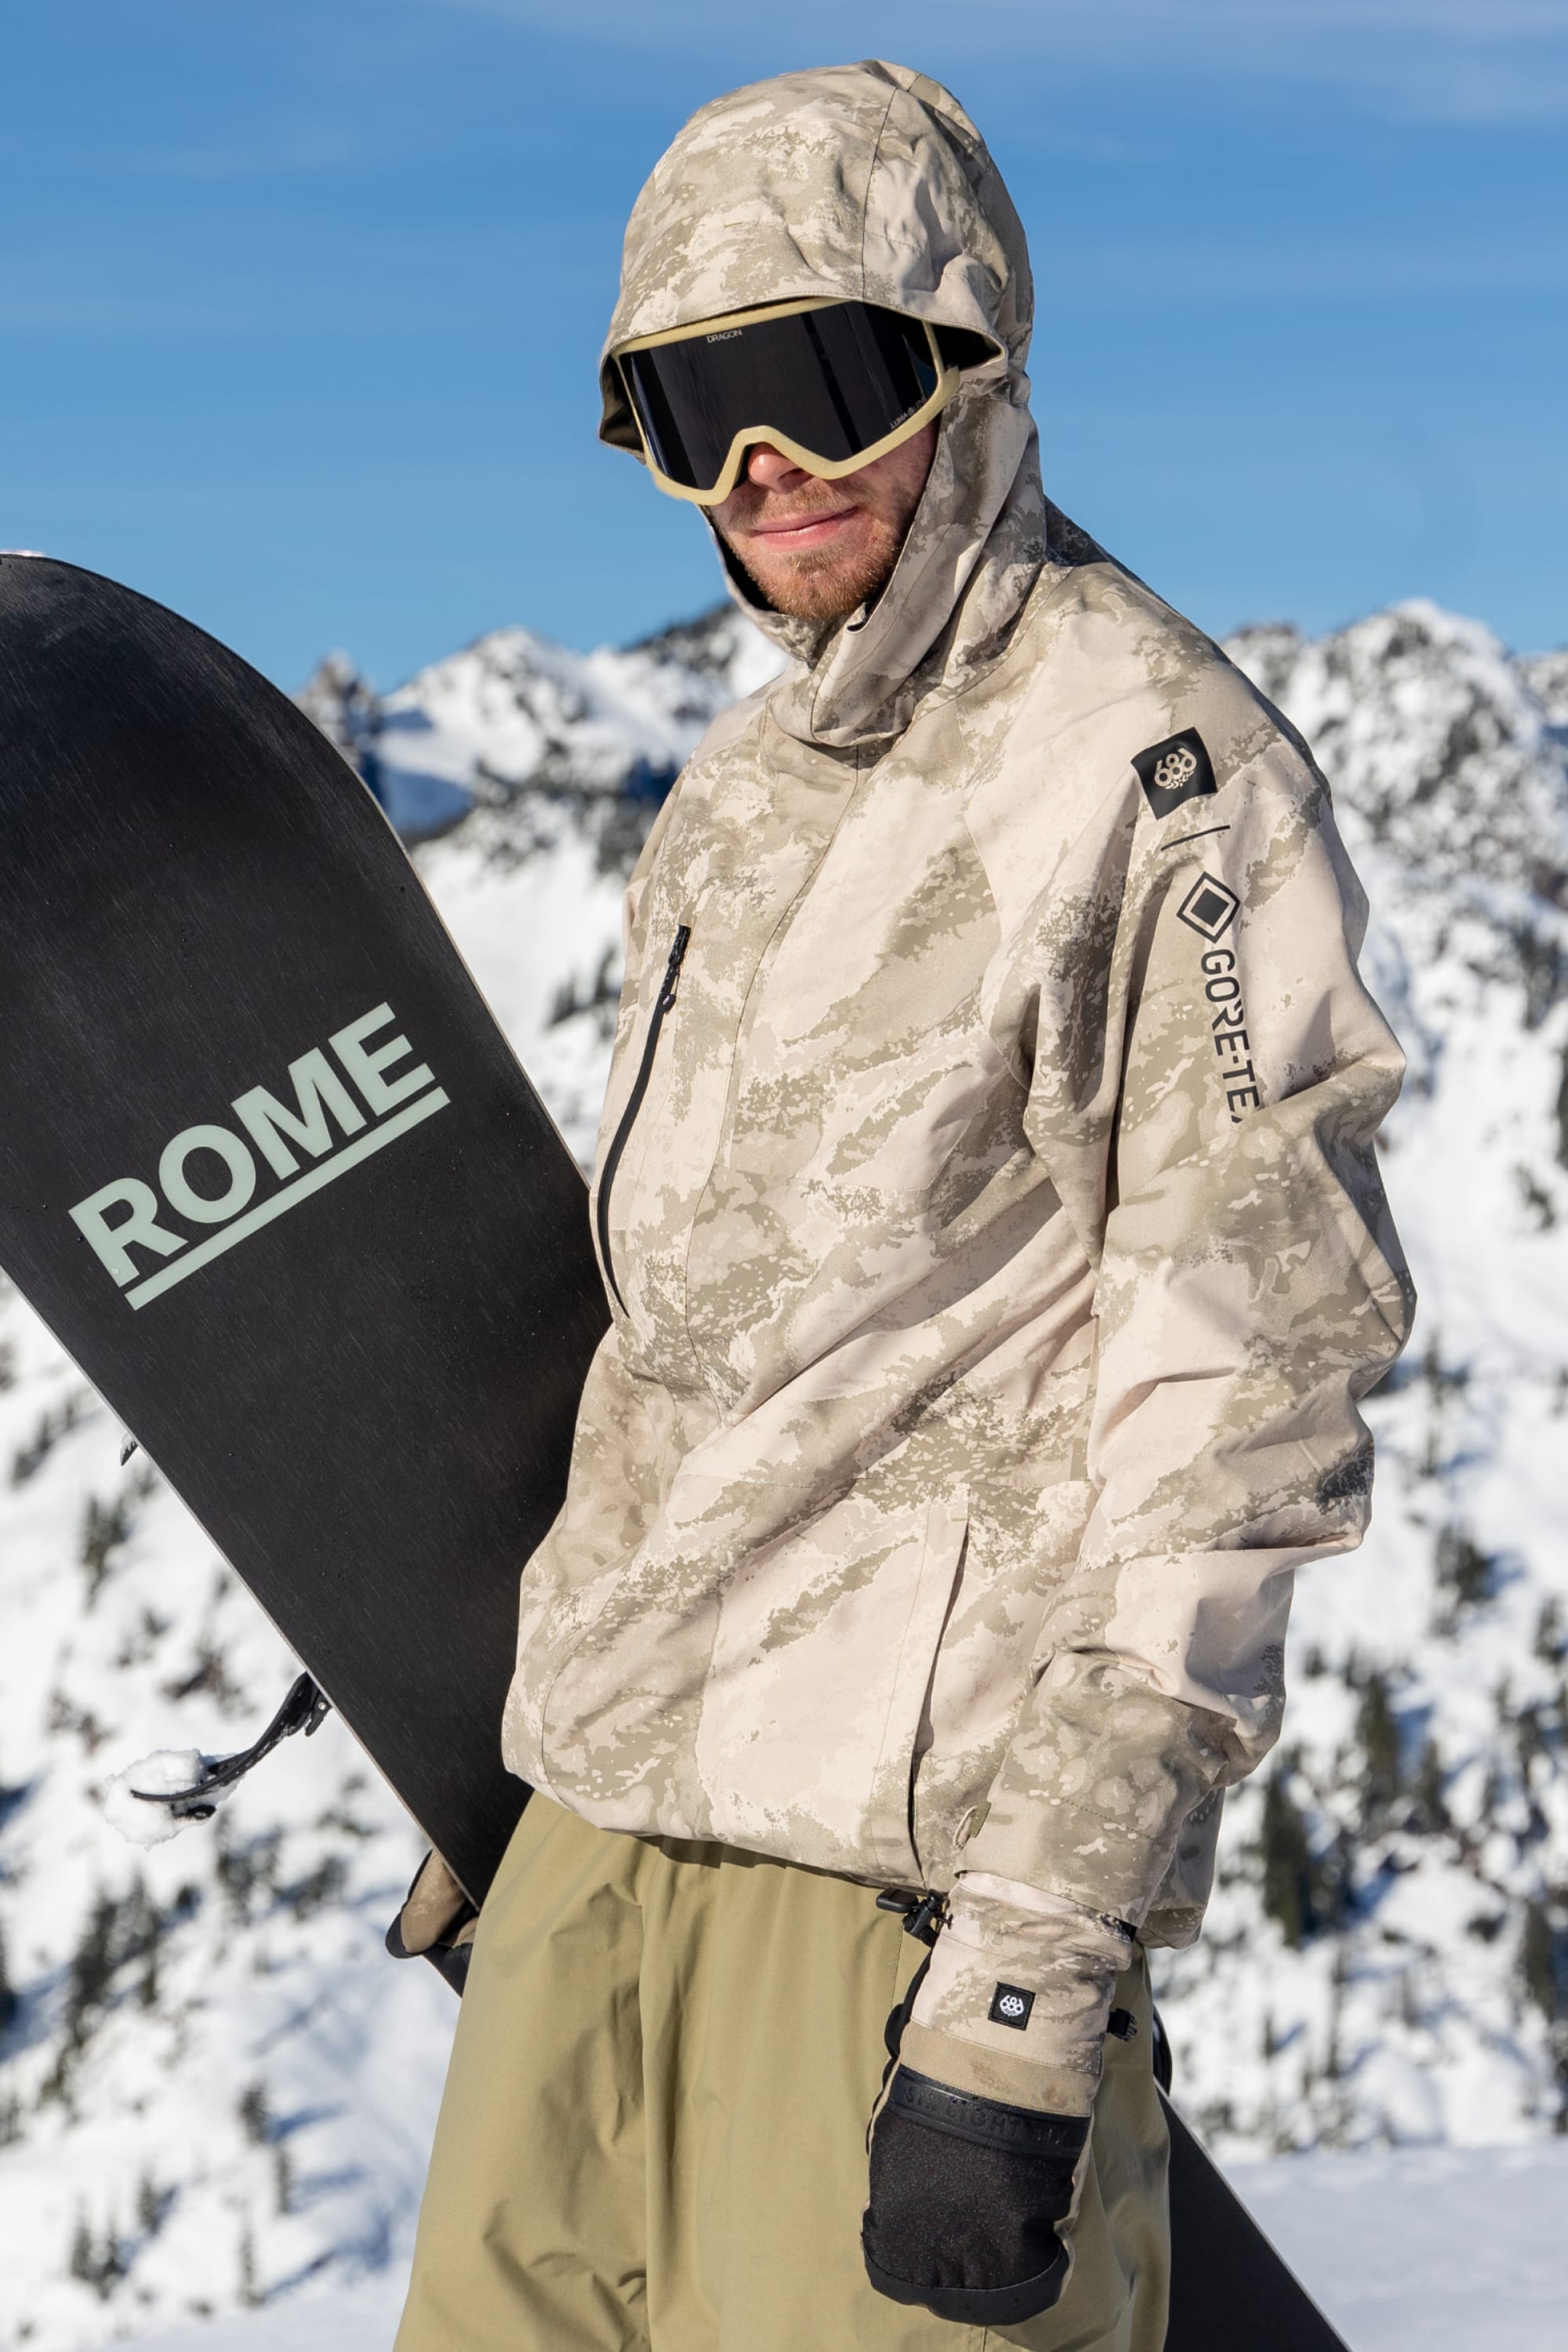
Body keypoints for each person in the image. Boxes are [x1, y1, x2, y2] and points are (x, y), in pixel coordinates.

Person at [392, 59, 1413, 2352]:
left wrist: (1032, 1980)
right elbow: (688, 1345)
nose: (764, 479)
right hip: (605, 1866)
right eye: (693, 414)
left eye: (822, 388)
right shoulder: (737, 791)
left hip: (887, 1913)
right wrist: (527, 1732)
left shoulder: (1165, 788)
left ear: (969, 373)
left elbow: (1240, 1408)